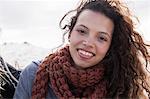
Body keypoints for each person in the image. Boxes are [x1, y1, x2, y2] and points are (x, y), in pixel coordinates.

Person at [14, 0, 150, 98]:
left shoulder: (121, 87)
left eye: (101, 38)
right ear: (70, 32)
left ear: (110, 46)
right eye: (82, 31)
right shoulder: (32, 75)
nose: (88, 42)